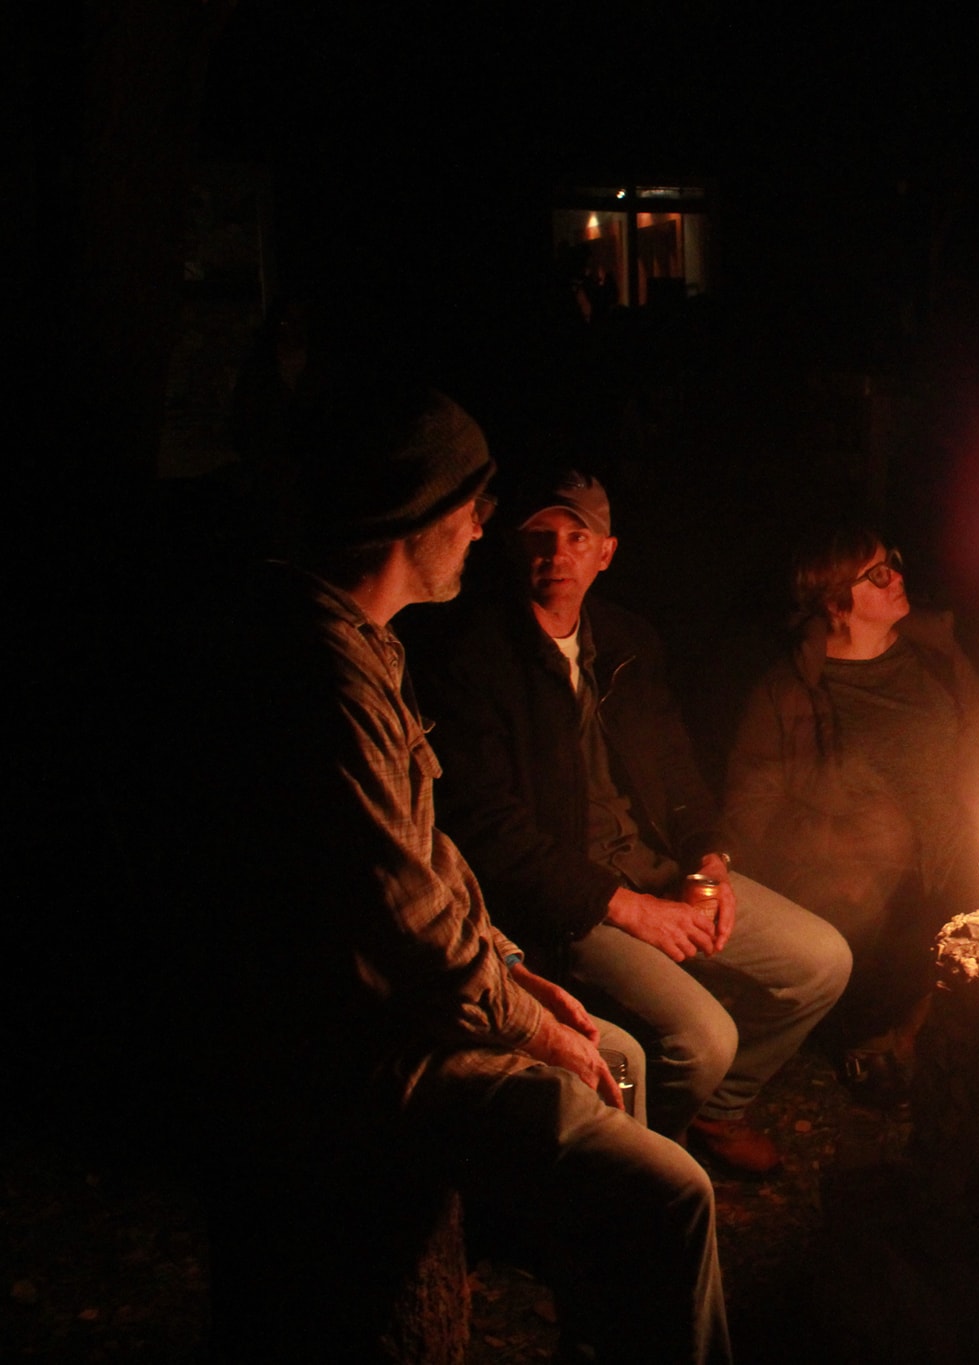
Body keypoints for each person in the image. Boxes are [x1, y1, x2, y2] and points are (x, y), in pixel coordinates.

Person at [202, 384, 728, 1361]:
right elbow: (403, 922)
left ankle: (604, 1318)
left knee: (608, 1054)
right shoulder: (322, 673)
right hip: (359, 1054)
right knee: (673, 1189)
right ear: (424, 511)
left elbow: (432, 866)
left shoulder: (367, 647)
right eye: (479, 509)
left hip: (409, 1008)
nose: (487, 533)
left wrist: (519, 976)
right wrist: (527, 1021)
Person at [416, 470, 850, 1177]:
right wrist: (630, 910)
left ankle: (714, 1112)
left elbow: (677, 766)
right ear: (512, 546)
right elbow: (491, 832)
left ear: (605, 553)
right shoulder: (476, 660)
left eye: (576, 537)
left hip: (654, 867)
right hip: (569, 901)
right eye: (540, 537)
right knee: (704, 1037)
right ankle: (646, 1168)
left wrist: (710, 858)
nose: (557, 553)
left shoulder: (625, 639)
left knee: (822, 959)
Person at [726, 526, 979, 1099]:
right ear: (836, 604)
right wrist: (856, 839)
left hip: (956, 857)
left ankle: (927, 1043)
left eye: (895, 563)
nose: (897, 576)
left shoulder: (932, 653)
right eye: (877, 574)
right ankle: (878, 1046)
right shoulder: (790, 693)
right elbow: (752, 818)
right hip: (862, 884)